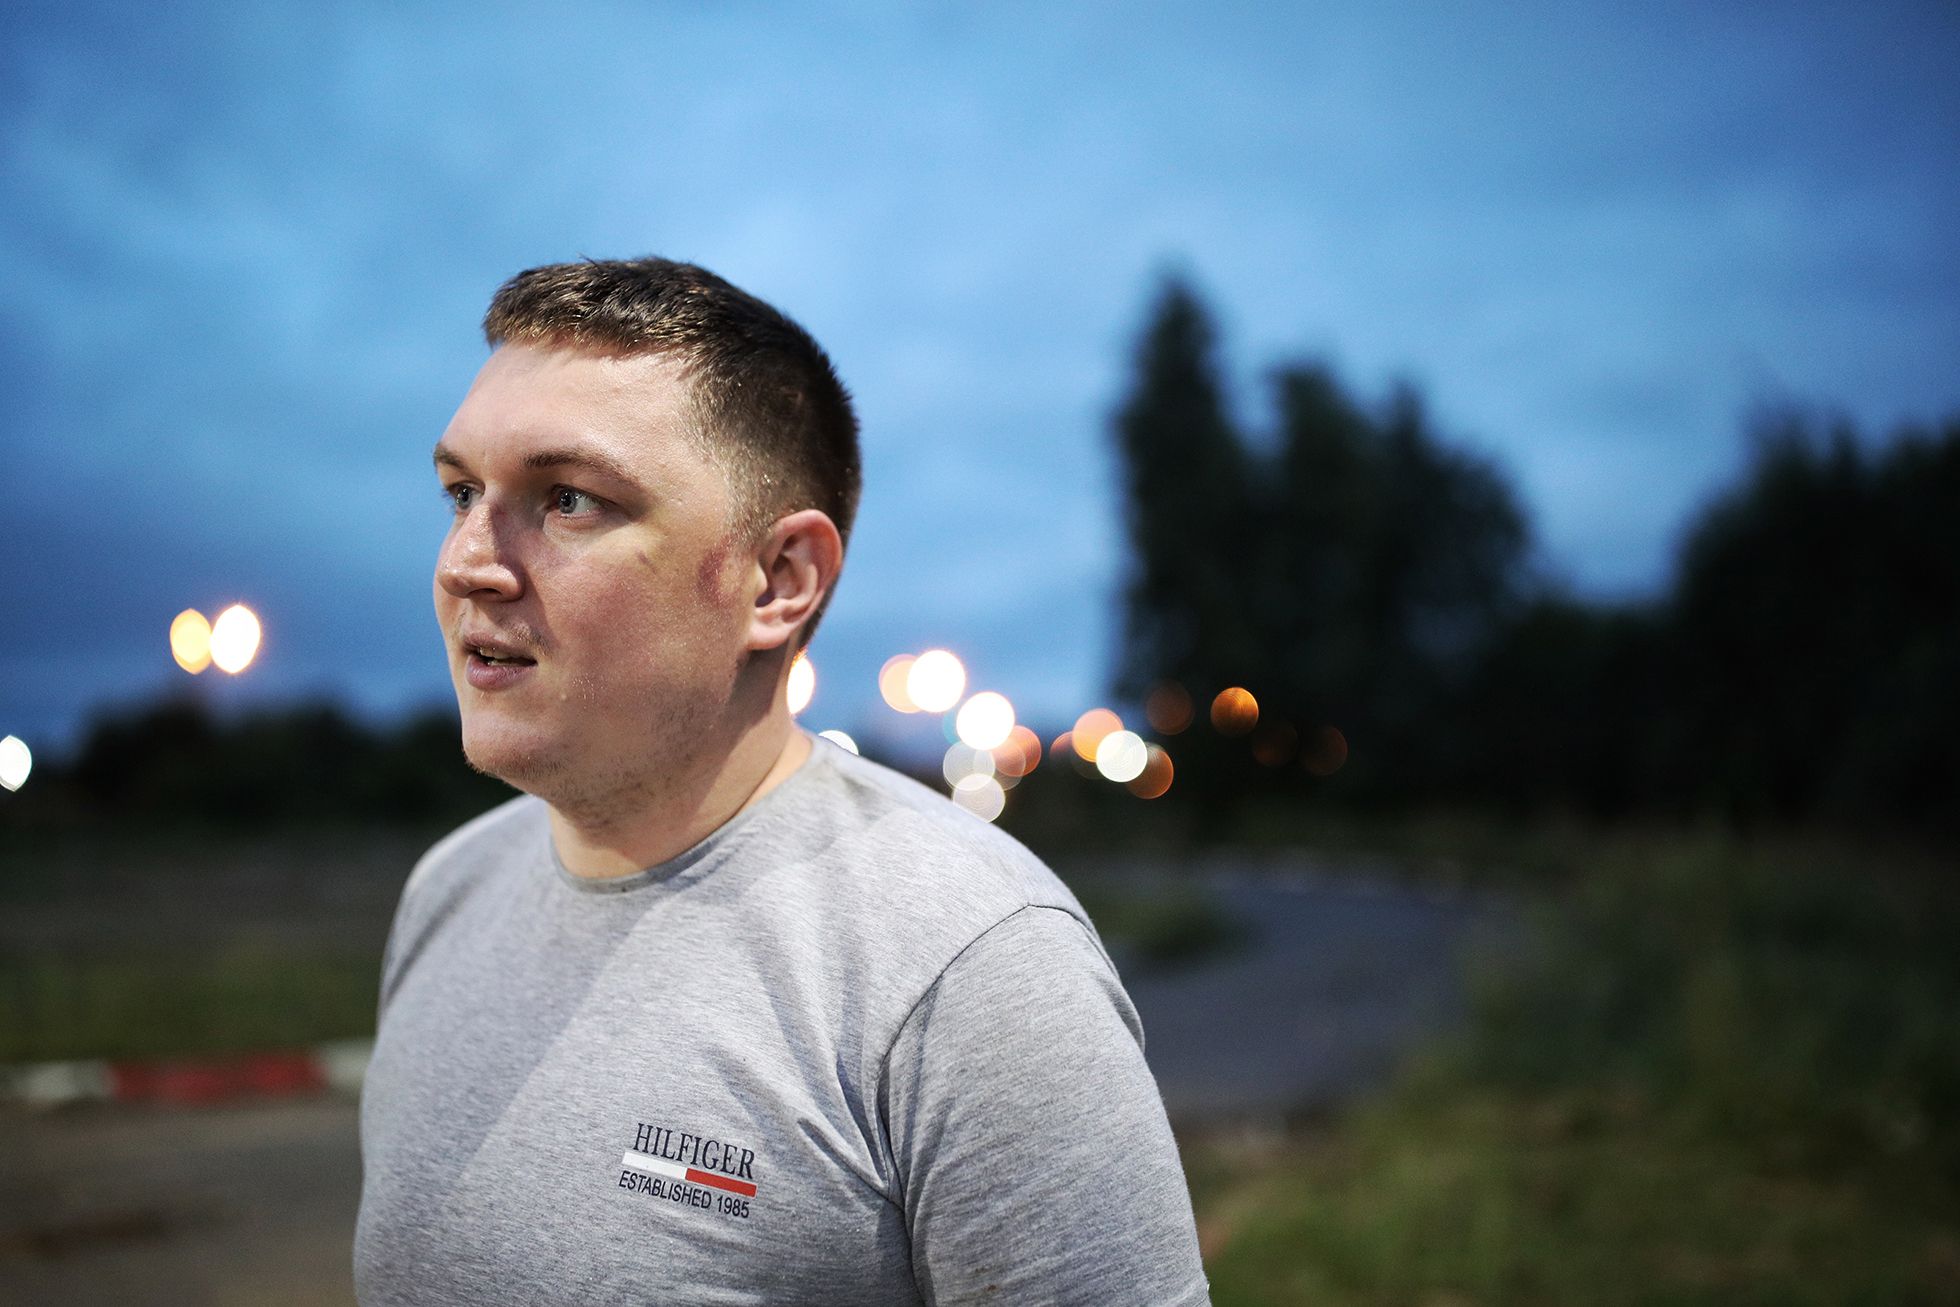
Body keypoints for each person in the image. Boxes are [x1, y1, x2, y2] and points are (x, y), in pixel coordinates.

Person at [353, 257, 1212, 1306]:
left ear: (778, 581)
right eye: (460, 492)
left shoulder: (971, 969)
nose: (466, 562)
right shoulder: (447, 892)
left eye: (568, 499)